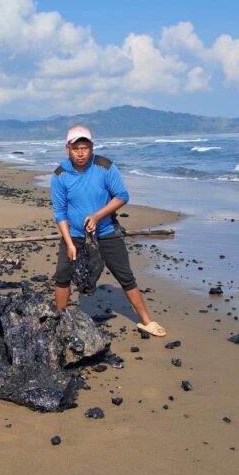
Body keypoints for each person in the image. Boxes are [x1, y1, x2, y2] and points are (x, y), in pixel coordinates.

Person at [50, 125, 167, 337]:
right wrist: (68, 243)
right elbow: (60, 212)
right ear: (67, 148)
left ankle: (146, 321)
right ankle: (59, 322)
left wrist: (97, 217)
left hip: (106, 231)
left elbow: (122, 196)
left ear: (92, 147)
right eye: (76, 148)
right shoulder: (60, 174)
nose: (81, 153)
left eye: (85, 148)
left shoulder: (105, 166)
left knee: (125, 275)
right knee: (62, 276)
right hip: (74, 235)